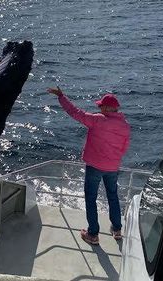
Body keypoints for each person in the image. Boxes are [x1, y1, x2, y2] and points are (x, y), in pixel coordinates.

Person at [47, 86, 131, 245]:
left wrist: (61, 96)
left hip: (94, 166)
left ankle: (93, 234)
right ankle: (117, 229)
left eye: (100, 106)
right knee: (112, 196)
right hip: (113, 168)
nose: (99, 108)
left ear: (107, 108)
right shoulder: (125, 125)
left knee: (91, 199)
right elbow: (124, 148)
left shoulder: (98, 120)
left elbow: (75, 113)